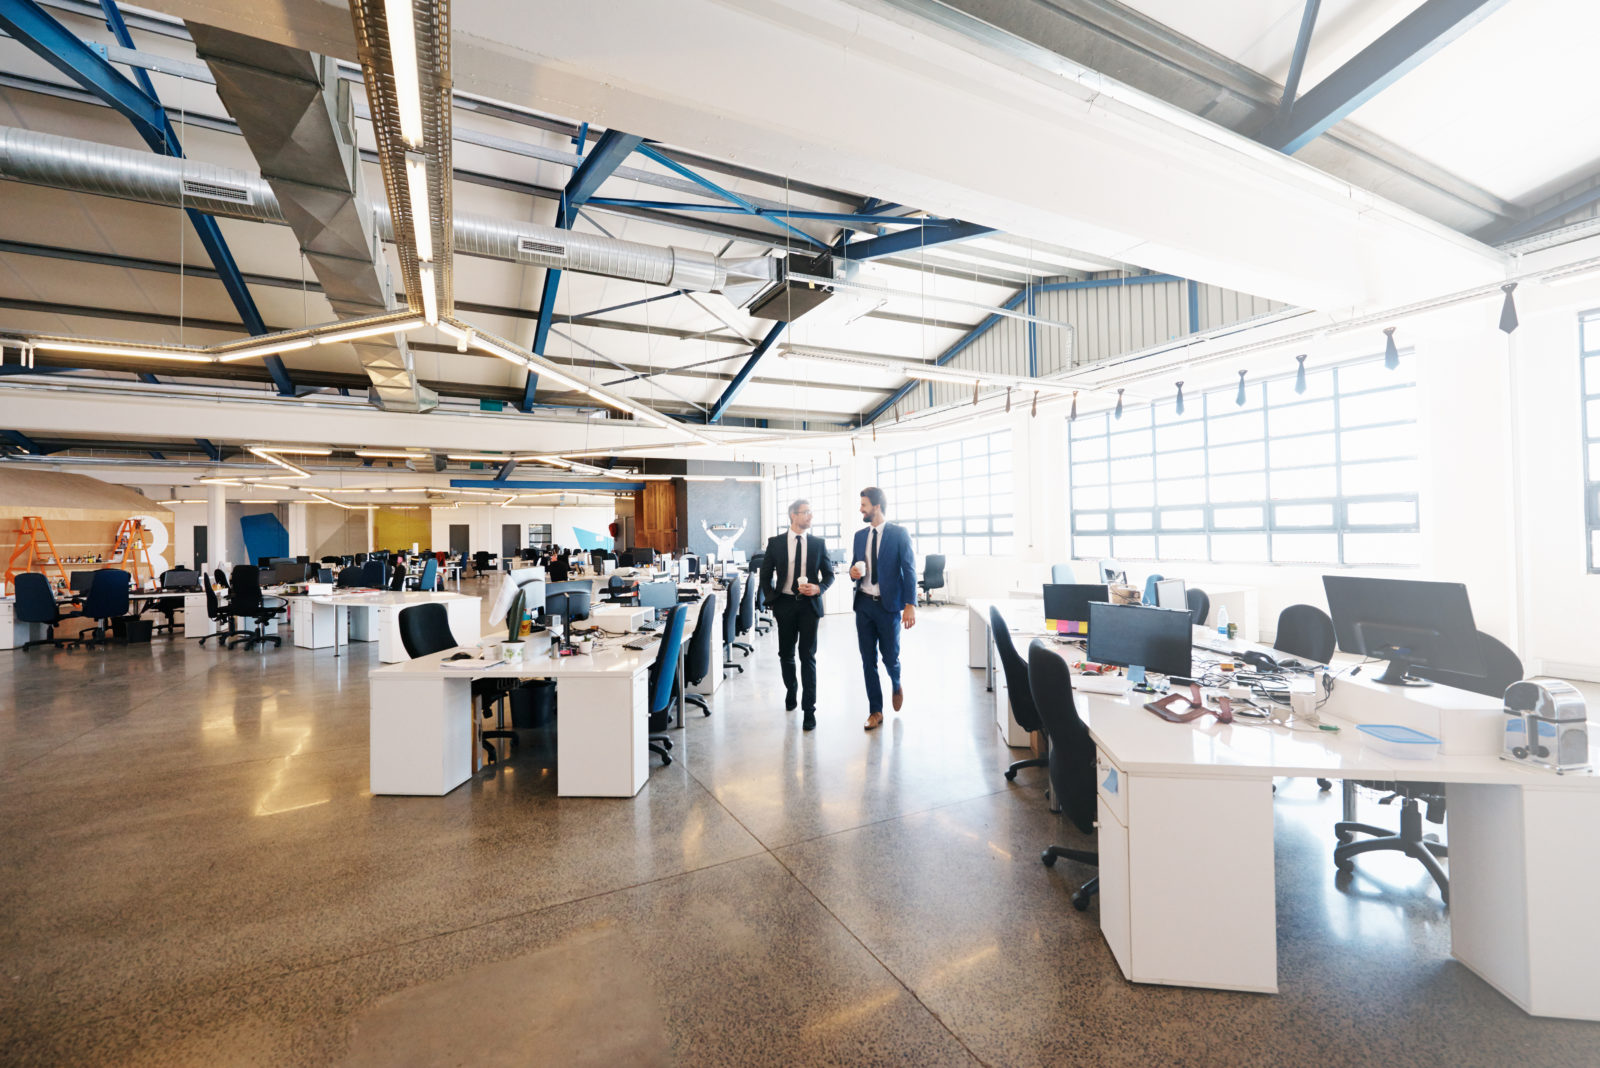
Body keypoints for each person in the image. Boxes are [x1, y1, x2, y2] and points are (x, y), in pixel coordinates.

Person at [758, 499, 835, 731]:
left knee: (808, 656)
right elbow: (765, 575)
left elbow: (829, 575)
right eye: (806, 513)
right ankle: (791, 688)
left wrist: (818, 588)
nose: (810, 517)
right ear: (793, 515)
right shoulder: (776, 543)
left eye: (811, 512)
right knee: (786, 654)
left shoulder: (818, 544)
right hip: (785, 604)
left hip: (809, 606)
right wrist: (772, 598)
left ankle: (809, 710)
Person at [849, 487, 916, 731]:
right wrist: (852, 572)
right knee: (868, 660)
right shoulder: (859, 536)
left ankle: (896, 682)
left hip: (888, 608)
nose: (861, 509)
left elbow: (909, 569)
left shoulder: (898, 534)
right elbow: (853, 567)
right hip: (864, 604)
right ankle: (875, 711)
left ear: (876, 507)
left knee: (890, 657)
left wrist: (910, 605)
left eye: (864, 505)